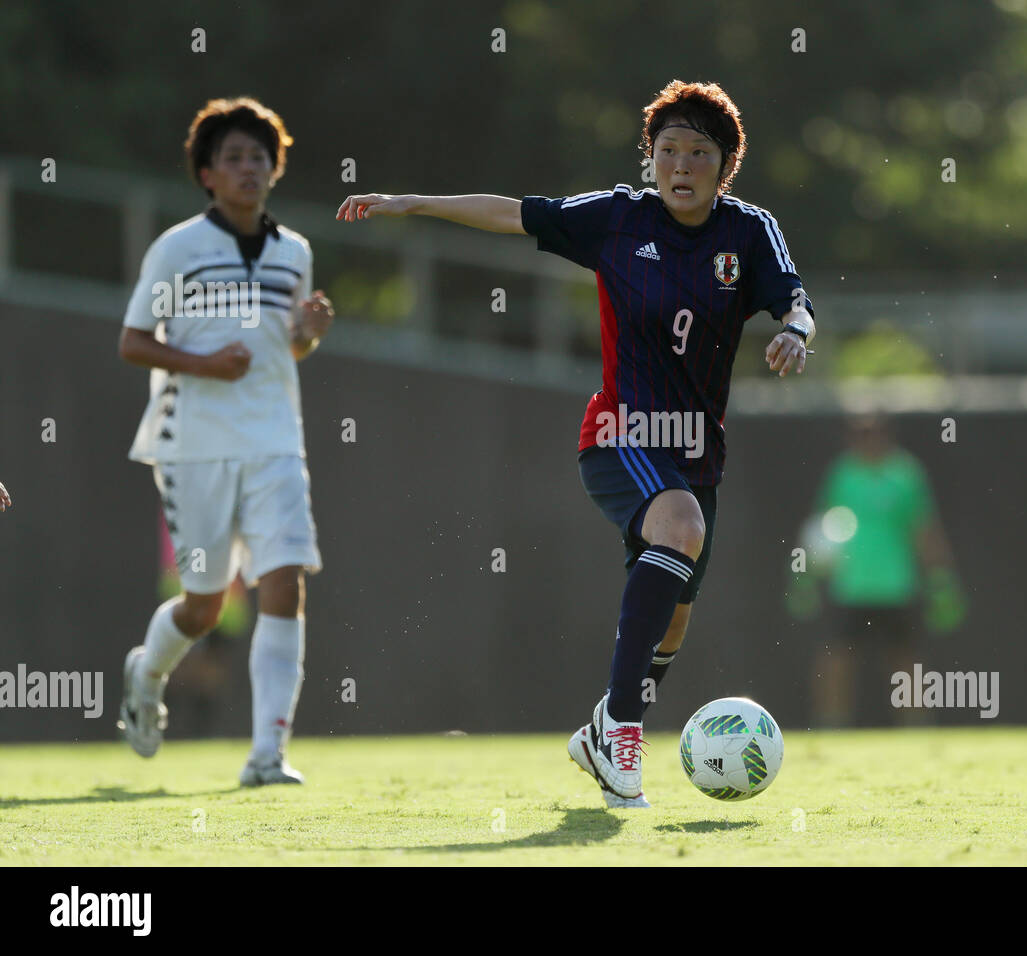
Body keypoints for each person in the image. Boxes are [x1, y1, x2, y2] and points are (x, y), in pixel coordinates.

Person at [338, 79, 814, 807]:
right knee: (680, 528)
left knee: (676, 616)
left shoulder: (747, 232)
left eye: (699, 152)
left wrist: (794, 330)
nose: (681, 165)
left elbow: (794, 298)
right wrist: (413, 204)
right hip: (617, 433)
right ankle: (623, 734)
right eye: (668, 150)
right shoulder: (621, 219)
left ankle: (600, 730)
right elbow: (514, 212)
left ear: (726, 166)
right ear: (650, 158)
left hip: (696, 452)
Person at [117, 97, 334, 786]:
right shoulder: (178, 248)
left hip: (275, 442)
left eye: (259, 157)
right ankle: (145, 675)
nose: (249, 168)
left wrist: (308, 332)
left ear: (275, 169)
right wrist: (204, 365)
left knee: (284, 583)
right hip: (194, 446)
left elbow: (287, 351)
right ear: (208, 174)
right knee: (205, 606)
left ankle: (268, 753)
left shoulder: (294, 251)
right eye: (233, 158)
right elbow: (131, 342)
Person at [796, 414, 963, 726]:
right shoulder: (842, 473)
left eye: (873, 433)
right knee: (836, 659)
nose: (866, 440)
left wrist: (942, 581)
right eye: (859, 434)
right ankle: (832, 724)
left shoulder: (906, 474)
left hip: (896, 584)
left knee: (906, 660)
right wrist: (805, 576)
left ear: (887, 435)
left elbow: (924, 529)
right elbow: (822, 529)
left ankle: (916, 727)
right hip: (851, 585)